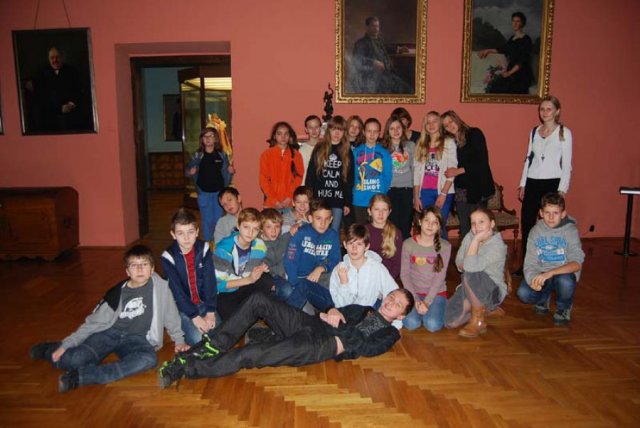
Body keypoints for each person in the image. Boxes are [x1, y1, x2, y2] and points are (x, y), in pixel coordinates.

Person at [157, 289, 414, 387]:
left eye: (398, 304)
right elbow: (334, 313)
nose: (391, 302)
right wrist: (333, 312)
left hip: (320, 345)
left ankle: (187, 368)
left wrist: (340, 324)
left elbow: (365, 347)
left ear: (401, 314)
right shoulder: (364, 308)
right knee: (259, 299)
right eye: (392, 296)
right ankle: (212, 346)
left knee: (250, 355)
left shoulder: (390, 333)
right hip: (311, 324)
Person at [30, 245, 188, 392]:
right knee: (72, 360)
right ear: (127, 271)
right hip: (108, 333)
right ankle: (48, 349)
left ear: (152, 269)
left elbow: (171, 315)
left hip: (136, 339)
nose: (140, 269)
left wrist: (179, 340)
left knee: (149, 359)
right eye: (134, 265)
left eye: (144, 264)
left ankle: (83, 377)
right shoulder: (115, 294)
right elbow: (92, 323)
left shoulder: (161, 288)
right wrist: (66, 344)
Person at [517, 95, 573, 267]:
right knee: (527, 223)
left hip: (552, 183)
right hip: (532, 181)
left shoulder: (564, 133)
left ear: (557, 111)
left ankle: (549, 263)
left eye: (549, 109)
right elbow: (528, 159)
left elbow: (567, 165)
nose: (545, 112)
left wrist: (562, 189)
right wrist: (523, 184)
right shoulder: (534, 131)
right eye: (542, 109)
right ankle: (527, 264)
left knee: (550, 224)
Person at [516, 192, 584, 326]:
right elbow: (530, 263)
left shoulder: (570, 231)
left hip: (563, 274)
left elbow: (577, 264)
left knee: (565, 282)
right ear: (541, 213)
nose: (551, 217)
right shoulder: (535, 231)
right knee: (523, 293)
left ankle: (564, 308)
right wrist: (533, 280)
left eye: (555, 213)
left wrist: (551, 273)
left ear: (563, 214)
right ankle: (543, 298)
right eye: (547, 212)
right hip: (542, 274)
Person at [445, 208, 508, 338]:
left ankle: (478, 320)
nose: (476, 226)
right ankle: (485, 309)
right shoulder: (469, 236)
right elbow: (459, 261)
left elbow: (469, 268)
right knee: (450, 322)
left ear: (492, 224)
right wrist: (467, 262)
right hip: (468, 287)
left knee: (469, 273)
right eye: (473, 223)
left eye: (481, 222)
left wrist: (476, 240)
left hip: (492, 292)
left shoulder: (497, 246)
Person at [161, 209, 217, 346]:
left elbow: (210, 280)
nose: (186, 238)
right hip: (182, 308)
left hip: (203, 303)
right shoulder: (168, 257)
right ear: (173, 235)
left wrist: (210, 311)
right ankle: (176, 325)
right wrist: (195, 317)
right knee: (198, 339)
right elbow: (177, 291)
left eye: (190, 232)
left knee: (218, 333)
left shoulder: (204, 249)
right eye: (180, 233)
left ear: (197, 232)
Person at [330, 224, 401, 329]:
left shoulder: (377, 267)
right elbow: (339, 304)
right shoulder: (339, 269)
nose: (354, 248)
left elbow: (392, 291)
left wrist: (394, 322)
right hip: (346, 315)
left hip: (369, 312)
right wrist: (344, 283)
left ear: (367, 246)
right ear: (344, 244)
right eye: (350, 243)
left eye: (359, 244)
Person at [441, 110, 495, 240]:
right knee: (465, 228)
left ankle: (481, 252)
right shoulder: (450, 142)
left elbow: (482, 162)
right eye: (446, 125)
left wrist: (458, 171)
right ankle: (466, 252)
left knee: (480, 228)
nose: (450, 126)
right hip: (461, 190)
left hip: (478, 187)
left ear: (457, 119)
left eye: (451, 121)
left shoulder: (474, 134)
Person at [213, 208, 273, 321]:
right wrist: (248, 280)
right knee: (231, 317)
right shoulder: (223, 250)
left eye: (255, 229)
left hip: (245, 285)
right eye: (246, 227)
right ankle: (247, 313)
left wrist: (262, 267)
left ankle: (250, 312)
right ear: (238, 225)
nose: (250, 233)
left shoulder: (259, 245)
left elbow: (264, 261)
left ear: (259, 230)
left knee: (267, 280)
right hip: (226, 292)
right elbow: (217, 285)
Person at [283, 198, 341, 312]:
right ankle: (285, 316)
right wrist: (294, 285)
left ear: (331, 219)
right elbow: (290, 261)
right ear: (310, 218)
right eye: (318, 218)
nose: (323, 223)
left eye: (327, 219)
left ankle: (330, 311)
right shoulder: (301, 233)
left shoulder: (333, 236)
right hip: (299, 280)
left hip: (319, 279)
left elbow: (336, 259)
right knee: (301, 314)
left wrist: (321, 268)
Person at [401, 207, 451, 332]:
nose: (430, 225)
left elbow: (440, 278)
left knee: (432, 325)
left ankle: (442, 305)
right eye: (427, 220)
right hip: (413, 292)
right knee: (411, 323)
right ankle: (424, 310)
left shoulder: (445, 246)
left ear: (439, 226)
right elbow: (405, 275)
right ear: (420, 221)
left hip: (436, 293)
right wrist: (415, 300)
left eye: (435, 222)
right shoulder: (408, 244)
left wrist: (427, 302)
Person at [305, 116, 355, 233]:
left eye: (340, 130)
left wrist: (347, 202)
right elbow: (311, 174)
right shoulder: (319, 147)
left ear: (344, 132)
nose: (337, 133)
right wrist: (310, 198)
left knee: (334, 232)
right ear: (329, 130)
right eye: (334, 129)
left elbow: (350, 179)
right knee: (318, 230)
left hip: (338, 200)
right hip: (320, 198)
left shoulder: (347, 150)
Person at [414, 111, 457, 238]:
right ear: (425, 126)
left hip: (443, 191)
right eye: (428, 122)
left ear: (440, 124)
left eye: (434, 121)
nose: (431, 125)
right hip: (425, 192)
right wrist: (416, 196)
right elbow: (417, 173)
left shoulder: (448, 142)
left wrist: (443, 194)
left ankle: (442, 251)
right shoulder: (420, 144)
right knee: (425, 226)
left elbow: (452, 169)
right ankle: (426, 251)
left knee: (439, 225)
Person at [29, 46, 93, 132]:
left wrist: (71, 104)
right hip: (50, 114)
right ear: (49, 59)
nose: (55, 60)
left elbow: (78, 91)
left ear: (62, 58)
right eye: (52, 58)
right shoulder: (42, 74)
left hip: (70, 113)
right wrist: (58, 108)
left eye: (57, 57)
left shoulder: (72, 71)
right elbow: (41, 96)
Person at [187, 127, 233, 241]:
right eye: (205, 136)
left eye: (211, 136)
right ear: (202, 139)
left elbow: (227, 171)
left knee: (218, 220)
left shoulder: (222, 155)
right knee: (206, 221)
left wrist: (230, 171)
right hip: (204, 193)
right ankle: (207, 244)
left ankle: (218, 245)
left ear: (215, 139)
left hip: (219, 193)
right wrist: (190, 172)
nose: (208, 139)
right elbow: (187, 171)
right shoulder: (198, 155)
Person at [352, 16, 413, 94]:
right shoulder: (361, 43)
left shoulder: (379, 40)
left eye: (377, 26)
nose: (376, 29)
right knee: (405, 90)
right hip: (374, 77)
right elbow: (357, 58)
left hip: (389, 73)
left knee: (408, 86)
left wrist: (399, 49)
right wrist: (373, 62)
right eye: (373, 26)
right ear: (367, 27)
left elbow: (388, 47)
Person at [478, 11, 534, 94]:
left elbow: (522, 60)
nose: (515, 23)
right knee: (493, 86)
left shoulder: (526, 39)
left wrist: (509, 73)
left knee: (502, 88)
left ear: (522, 23)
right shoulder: (512, 38)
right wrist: (488, 50)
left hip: (521, 73)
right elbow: (503, 49)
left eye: (518, 21)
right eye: (513, 21)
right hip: (511, 70)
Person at [352, 118, 392, 224]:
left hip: (378, 200)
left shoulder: (384, 153)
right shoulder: (355, 152)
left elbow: (388, 176)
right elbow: (352, 175)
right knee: (361, 230)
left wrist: (382, 192)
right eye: (369, 131)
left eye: (375, 131)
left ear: (379, 133)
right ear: (364, 132)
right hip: (359, 199)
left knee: (377, 230)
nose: (372, 134)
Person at [382, 114, 415, 240]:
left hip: (407, 189)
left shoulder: (410, 145)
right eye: (392, 128)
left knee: (405, 224)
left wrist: (415, 192)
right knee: (392, 224)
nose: (395, 131)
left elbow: (415, 168)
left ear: (403, 129)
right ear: (388, 131)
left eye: (398, 128)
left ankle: (405, 249)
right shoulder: (383, 148)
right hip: (390, 190)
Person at [260, 121, 304, 211]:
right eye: (279, 134)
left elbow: (298, 178)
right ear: (274, 136)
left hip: (289, 202)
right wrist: (274, 200)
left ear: (290, 136)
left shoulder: (296, 155)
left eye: (286, 134)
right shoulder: (266, 155)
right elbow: (263, 180)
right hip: (271, 203)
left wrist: (289, 197)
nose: (283, 137)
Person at [365, 193, 403, 280]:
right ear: (369, 211)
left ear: (389, 212)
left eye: (384, 210)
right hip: (366, 277)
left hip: (387, 279)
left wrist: (386, 282)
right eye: (376, 209)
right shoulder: (363, 231)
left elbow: (397, 265)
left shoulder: (396, 233)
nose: (380, 213)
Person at [261, 208, 294, 302]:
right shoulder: (258, 245)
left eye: (277, 226)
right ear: (261, 228)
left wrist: (295, 228)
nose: (274, 231)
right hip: (267, 278)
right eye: (269, 227)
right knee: (287, 291)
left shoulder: (282, 239)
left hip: (282, 276)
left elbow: (291, 233)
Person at [299, 115, 322, 183]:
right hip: (306, 185)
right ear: (306, 130)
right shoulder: (302, 150)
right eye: (310, 127)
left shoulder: (325, 147)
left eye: (316, 127)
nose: (314, 130)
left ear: (320, 128)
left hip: (322, 186)